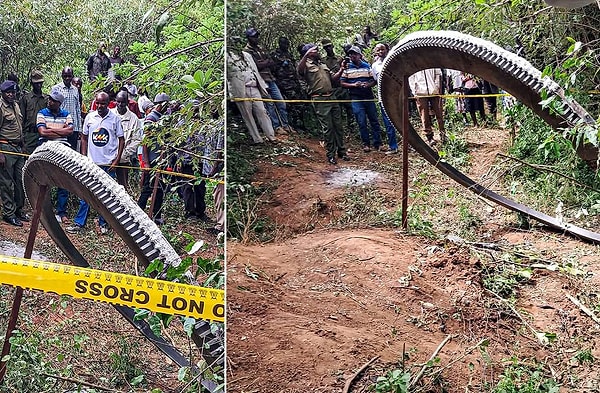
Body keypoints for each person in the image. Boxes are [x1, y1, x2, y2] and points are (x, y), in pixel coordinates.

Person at [66, 91, 124, 234]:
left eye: (103, 103)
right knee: (85, 194)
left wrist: (116, 160)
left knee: (106, 196)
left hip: (108, 164)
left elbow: (121, 139)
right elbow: (84, 137)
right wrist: (84, 157)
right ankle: (79, 224)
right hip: (91, 164)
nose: (99, 106)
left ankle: (104, 224)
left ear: (108, 103)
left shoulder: (115, 119)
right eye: (97, 103)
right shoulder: (90, 117)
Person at [297, 44, 348, 165]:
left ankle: (342, 151)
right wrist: (305, 55)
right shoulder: (305, 65)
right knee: (328, 128)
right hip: (319, 99)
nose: (318, 51)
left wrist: (341, 69)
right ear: (308, 53)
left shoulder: (322, 64)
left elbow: (333, 79)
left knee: (338, 126)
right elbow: (299, 71)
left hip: (332, 96)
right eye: (315, 50)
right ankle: (331, 154)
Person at [244, 27, 294, 134]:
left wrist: (265, 62)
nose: (256, 38)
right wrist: (265, 63)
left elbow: (271, 62)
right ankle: (276, 126)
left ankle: (286, 125)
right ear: (248, 38)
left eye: (257, 36)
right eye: (254, 37)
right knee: (269, 104)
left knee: (281, 102)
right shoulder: (247, 52)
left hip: (270, 78)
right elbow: (256, 66)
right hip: (260, 80)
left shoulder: (260, 49)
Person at [36, 89, 74, 223]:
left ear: (59, 103)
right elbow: (42, 132)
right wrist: (60, 131)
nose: (49, 102)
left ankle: (61, 212)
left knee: (63, 181)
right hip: (45, 148)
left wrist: (50, 129)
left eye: (53, 100)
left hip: (62, 149)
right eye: (49, 99)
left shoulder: (66, 114)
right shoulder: (42, 113)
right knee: (44, 181)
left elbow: (70, 131)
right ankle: (44, 212)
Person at [227, 47, 277, 144]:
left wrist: (263, 85)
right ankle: (257, 139)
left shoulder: (247, 55)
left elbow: (255, 72)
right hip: (241, 89)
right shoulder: (228, 57)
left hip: (254, 87)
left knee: (262, 111)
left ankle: (271, 136)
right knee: (247, 115)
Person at [137, 92, 171, 224]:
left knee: (160, 188)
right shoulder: (151, 118)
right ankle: (139, 212)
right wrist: (146, 162)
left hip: (161, 159)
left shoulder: (163, 118)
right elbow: (145, 141)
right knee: (147, 188)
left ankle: (156, 215)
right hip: (152, 160)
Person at [340, 45, 382, 152]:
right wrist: (354, 85)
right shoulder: (347, 68)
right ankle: (366, 144)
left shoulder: (367, 66)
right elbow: (342, 83)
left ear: (360, 55)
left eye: (355, 54)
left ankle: (378, 143)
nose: (352, 56)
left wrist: (368, 85)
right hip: (356, 98)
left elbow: (374, 80)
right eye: (351, 54)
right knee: (361, 121)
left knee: (374, 120)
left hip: (368, 96)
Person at [0, 80, 28, 227]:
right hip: (5, 148)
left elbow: (19, 127)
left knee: (20, 180)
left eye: (13, 92)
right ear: (3, 93)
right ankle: (8, 213)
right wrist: (0, 153)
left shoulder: (15, 105)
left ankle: (19, 210)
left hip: (18, 148)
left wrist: (23, 145)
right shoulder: (1, 107)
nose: (11, 94)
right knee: (6, 183)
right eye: (8, 92)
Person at [271, 36, 305, 131]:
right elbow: (273, 69)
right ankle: (292, 125)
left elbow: (294, 69)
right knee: (289, 105)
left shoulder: (289, 54)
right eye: (284, 43)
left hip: (294, 83)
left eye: (287, 44)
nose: (286, 46)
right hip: (283, 84)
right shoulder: (275, 54)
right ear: (279, 43)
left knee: (299, 105)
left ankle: (300, 125)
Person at [371, 43, 399, 154]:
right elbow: (375, 79)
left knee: (401, 120)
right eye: (378, 50)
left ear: (387, 50)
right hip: (383, 98)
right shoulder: (374, 66)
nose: (381, 51)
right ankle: (393, 147)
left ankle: (408, 143)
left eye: (383, 49)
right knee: (388, 122)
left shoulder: (393, 62)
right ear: (376, 52)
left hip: (396, 96)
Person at [111, 90, 142, 190]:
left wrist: (124, 153)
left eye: (122, 102)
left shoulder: (134, 119)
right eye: (118, 102)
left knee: (122, 187)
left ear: (127, 103)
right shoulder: (109, 114)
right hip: (108, 157)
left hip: (123, 159)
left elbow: (137, 139)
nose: (120, 104)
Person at [322, 39, 354, 132]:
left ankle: (351, 127)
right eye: (326, 47)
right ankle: (339, 129)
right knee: (337, 110)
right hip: (332, 89)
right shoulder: (323, 61)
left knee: (349, 107)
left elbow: (346, 70)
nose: (328, 49)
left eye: (329, 46)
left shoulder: (340, 59)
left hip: (342, 87)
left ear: (332, 46)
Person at [409, 68, 446, 146]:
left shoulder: (431, 59)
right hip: (420, 93)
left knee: (439, 112)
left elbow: (438, 74)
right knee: (424, 115)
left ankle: (443, 134)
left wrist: (436, 87)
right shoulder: (414, 63)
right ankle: (429, 137)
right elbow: (411, 78)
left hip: (434, 91)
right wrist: (414, 91)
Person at [53, 67, 82, 151]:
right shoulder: (56, 88)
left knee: (72, 153)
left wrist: (79, 129)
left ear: (72, 76)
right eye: (65, 76)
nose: (67, 78)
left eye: (69, 76)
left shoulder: (75, 90)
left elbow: (78, 110)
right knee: (60, 153)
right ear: (62, 76)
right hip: (61, 127)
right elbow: (52, 108)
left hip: (74, 128)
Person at [19, 70, 48, 154]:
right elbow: (21, 119)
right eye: (36, 83)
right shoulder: (26, 99)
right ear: (32, 83)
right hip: (29, 136)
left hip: (43, 135)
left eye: (40, 83)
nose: (39, 85)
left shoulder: (46, 99)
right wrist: (22, 140)